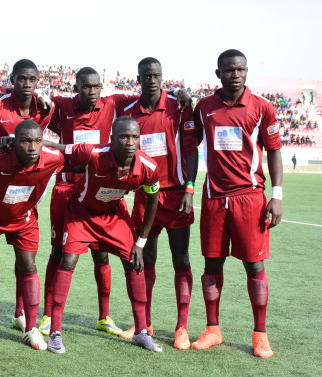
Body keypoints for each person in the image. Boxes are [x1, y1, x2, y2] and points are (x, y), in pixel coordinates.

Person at [182, 49, 283, 359]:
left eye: (240, 69)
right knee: (212, 263)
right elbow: (190, 143)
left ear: (246, 71)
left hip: (250, 198)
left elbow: (275, 150)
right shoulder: (204, 107)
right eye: (229, 70)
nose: (235, 75)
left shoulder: (262, 107)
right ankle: (213, 329)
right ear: (218, 74)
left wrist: (276, 195)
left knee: (254, 265)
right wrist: (183, 105)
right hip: (213, 198)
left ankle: (260, 334)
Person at [44, 116, 163, 354]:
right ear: (112, 139)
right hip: (80, 214)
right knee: (67, 261)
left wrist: (141, 242)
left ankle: (141, 332)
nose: (130, 142)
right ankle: (55, 332)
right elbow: (58, 148)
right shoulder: (93, 154)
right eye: (123, 136)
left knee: (133, 261)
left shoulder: (149, 167)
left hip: (113, 215)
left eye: (134, 137)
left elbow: (152, 202)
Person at [0, 120, 65, 353]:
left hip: (24, 218)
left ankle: (31, 328)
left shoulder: (53, 158)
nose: (33, 147)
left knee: (28, 266)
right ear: (15, 143)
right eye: (26, 141)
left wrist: (48, 142)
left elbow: (78, 155)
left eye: (37, 141)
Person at [117, 57, 197, 349]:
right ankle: (144, 323)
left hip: (175, 194)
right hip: (144, 196)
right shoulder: (127, 111)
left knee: (181, 260)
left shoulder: (179, 106)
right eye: (146, 75)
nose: (151, 79)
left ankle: (181, 327)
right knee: (144, 260)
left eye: (156, 75)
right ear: (138, 78)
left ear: (163, 77)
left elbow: (190, 150)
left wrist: (190, 187)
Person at [0, 59, 53, 333]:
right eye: (22, 79)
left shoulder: (44, 108)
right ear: (12, 78)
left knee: (25, 259)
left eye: (32, 79)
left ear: (37, 80)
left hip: (25, 191)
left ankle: (20, 313)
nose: (27, 84)